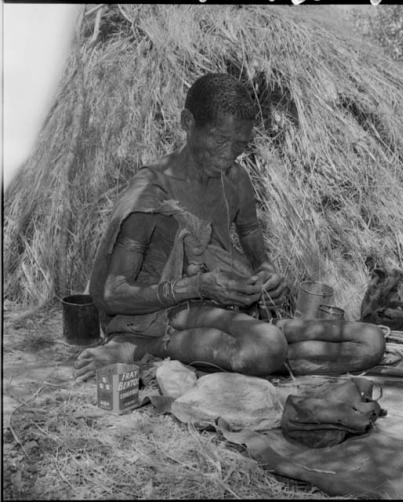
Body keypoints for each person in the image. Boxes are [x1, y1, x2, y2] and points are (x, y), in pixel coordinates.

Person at [74, 73, 385, 382]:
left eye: (240, 144)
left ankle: (257, 348)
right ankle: (138, 349)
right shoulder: (151, 194)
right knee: (266, 347)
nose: (229, 154)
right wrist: (196, 286)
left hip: (223, 308)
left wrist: (267, 277)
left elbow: (251, 238)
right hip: (160, 316)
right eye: (220, 138)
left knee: (371, 341)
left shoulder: (235, 181)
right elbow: (112, 294)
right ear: (187, 122)